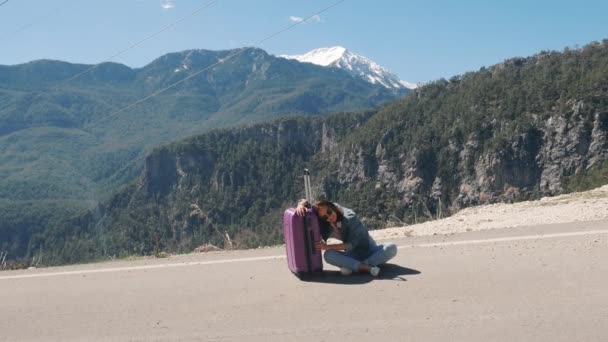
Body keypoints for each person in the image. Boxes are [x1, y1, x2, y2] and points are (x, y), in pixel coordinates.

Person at [295, 199, 398, 277]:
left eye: (329, 212)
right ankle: (365, 266)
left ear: (332, 206)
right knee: (328, 255)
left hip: (369, 249)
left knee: (391, 247)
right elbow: (307, 202)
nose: (329, 217)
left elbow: (350, 245)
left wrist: (326, 246)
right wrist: (300, 205)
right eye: (325, 217)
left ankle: (358, 267)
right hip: (353, 253)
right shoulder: (325, 216)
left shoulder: (350, 217)